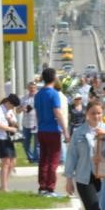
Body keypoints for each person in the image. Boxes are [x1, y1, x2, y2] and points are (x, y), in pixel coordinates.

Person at [63, 99, 105, 210]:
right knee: (93, 209)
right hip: (85, 177)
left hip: (104, 177)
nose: (96, 116)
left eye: (99, 113)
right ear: (87, 114)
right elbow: (72, 156)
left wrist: (104, 138)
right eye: (93, 113)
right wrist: (69, 179)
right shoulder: (79, 133)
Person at [34, 67, 67, 198]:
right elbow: (57, 113)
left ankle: (42, 186)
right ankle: (50, 187)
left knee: (43, 159)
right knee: (53, 160)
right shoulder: (54, 94)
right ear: (54, 78)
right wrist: (65, 131)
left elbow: (36, 113)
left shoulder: (38, 94)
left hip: (41, 129)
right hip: (53, 130)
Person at [0, 93, 20, 192]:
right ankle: (4, 187)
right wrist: (9, 128)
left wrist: (11, 121)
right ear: (8, 102)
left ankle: (4, 184)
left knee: (13, 162)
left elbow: (16, 124)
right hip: (1, 138)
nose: (12, 107)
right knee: (6, 162)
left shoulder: (10, 111)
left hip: (9, 139)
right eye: (12, 105)